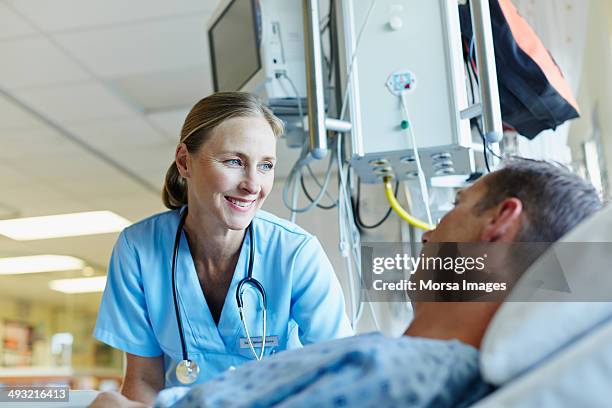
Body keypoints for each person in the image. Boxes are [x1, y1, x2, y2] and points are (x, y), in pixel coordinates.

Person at [90, 158, 602, 407]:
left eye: (455, 207)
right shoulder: (420, 368)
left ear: (500, 223)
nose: (428, 231)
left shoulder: (392, 373)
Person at [93, 92, 352, 405]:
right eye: (235, 161)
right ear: (184, 161)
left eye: (266, 165)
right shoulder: (138, 249)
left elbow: (341, 375)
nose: (253, 184)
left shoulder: (295, 253)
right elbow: (143, 380)